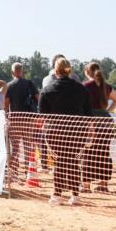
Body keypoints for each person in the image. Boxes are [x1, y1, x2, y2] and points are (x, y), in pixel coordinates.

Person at [38, 57, 92, 206]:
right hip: (78, 130)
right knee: (73, 161)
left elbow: (43, 113)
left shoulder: (47, 89)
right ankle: (75, 195)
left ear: (55, 71)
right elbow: (88, 113)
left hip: (56, 131)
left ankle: (57, 194)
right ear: (70, 70)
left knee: (60, 161)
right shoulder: (82, 89)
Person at [80, 62, 116, 192]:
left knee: (87, 152)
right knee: (104, 152)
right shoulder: (106, 86)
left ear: (87, 72)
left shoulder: (85, 86)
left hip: (90, 121)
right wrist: (108, 111)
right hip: (106, 121)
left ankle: (86, 185)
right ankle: (103, 184)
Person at [4, 62, 39, 184]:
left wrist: (6, 116)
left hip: (15, 119)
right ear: (22, 71)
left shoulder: (9, 86)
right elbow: (37, 98)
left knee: (15, 148)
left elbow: (6, 104)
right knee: (29, 147)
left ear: (12, 72)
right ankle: (28, 172)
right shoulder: (30, 84)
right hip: (29, 119)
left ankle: (13, 173)